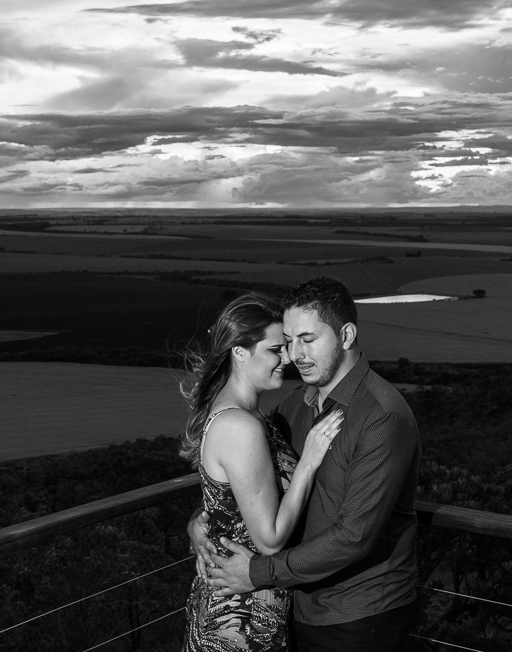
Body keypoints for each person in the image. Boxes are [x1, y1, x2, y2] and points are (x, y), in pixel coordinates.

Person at [193, 277, 421, 652]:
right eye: (289, 340)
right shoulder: (294, 407)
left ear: (346, 335)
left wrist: (257, 574)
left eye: (308, 340)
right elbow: (248, 482)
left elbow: (354, 536)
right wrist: (202, 520)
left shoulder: (381, 417)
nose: (294, 355)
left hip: (360, 615)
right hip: (295, 607)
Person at [180, 292, 345, 652]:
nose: (287, 358)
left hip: (253, 604)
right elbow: (269, 538)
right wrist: (309, 460)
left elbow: (228, 503)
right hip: (239, 619)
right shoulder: (240, 425)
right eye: (275, 349)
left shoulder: (251, 417)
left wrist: (197, 521)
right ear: (240, 352)